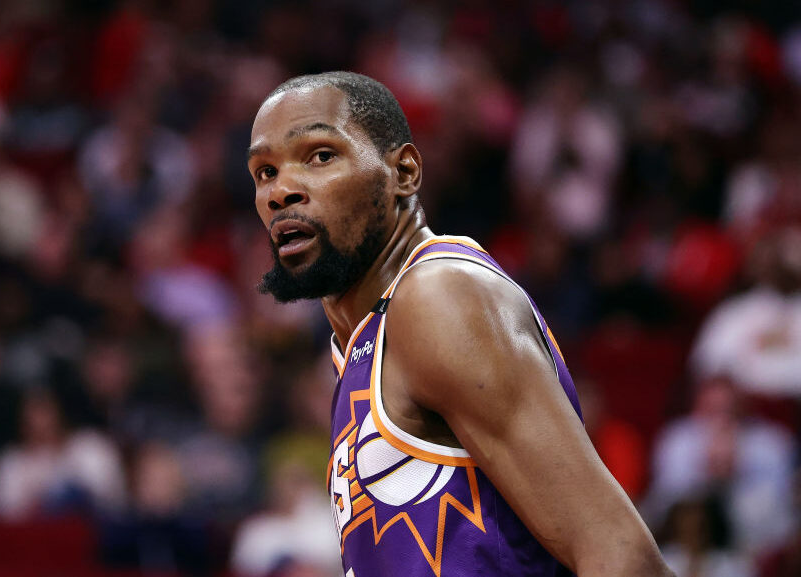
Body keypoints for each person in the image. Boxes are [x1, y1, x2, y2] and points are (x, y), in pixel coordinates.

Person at [246, 71, 671, 577]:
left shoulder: (437, 295)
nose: (281, 191)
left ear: (403, 171)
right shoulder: (366, 340)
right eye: (265, 172)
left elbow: (624, 557)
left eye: (320, 156)